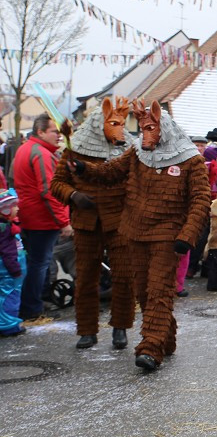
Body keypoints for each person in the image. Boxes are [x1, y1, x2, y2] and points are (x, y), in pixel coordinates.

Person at [71, 100, 210, 372]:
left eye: (151, 128)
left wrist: (187, 234)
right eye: (143, 128)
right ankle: (165, 338)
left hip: (167, 236)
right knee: (144, 293)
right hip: (135, 232)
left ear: (163, 128)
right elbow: (111, 172)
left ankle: (150, 348)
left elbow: (201, 200)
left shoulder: (191, 160)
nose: (145, 134)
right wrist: (84, 168)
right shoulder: (136, 154)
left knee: (159, 291)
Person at [50, 98, 135, 350]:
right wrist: (74, 196)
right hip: (86, 223)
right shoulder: (73, 150)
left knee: (123, 277)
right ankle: (87, 330)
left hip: (119, 221)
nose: (119, 128)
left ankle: (120, 327)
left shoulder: (128, 151)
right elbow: (56, 184)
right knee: (86, 278)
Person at [12, 114, 72, 322]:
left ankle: (35, 302)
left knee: (35, 262)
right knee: (40, 263)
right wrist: (64, 221)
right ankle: (32, 308)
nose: (58, 135)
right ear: (40, 132)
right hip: (41, 219)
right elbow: (49, 191)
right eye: (54, 131)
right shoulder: (41, 154)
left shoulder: (24, 149)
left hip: (28, 216)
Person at [0, 192, 25, 336]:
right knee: (11, 295)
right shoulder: (5, 229)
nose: (17, 208)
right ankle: (9, 326)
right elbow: (8, 252)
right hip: (8, 269)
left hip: (6, 267)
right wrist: (16, 270)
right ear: (4, 210)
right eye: (14, 206)